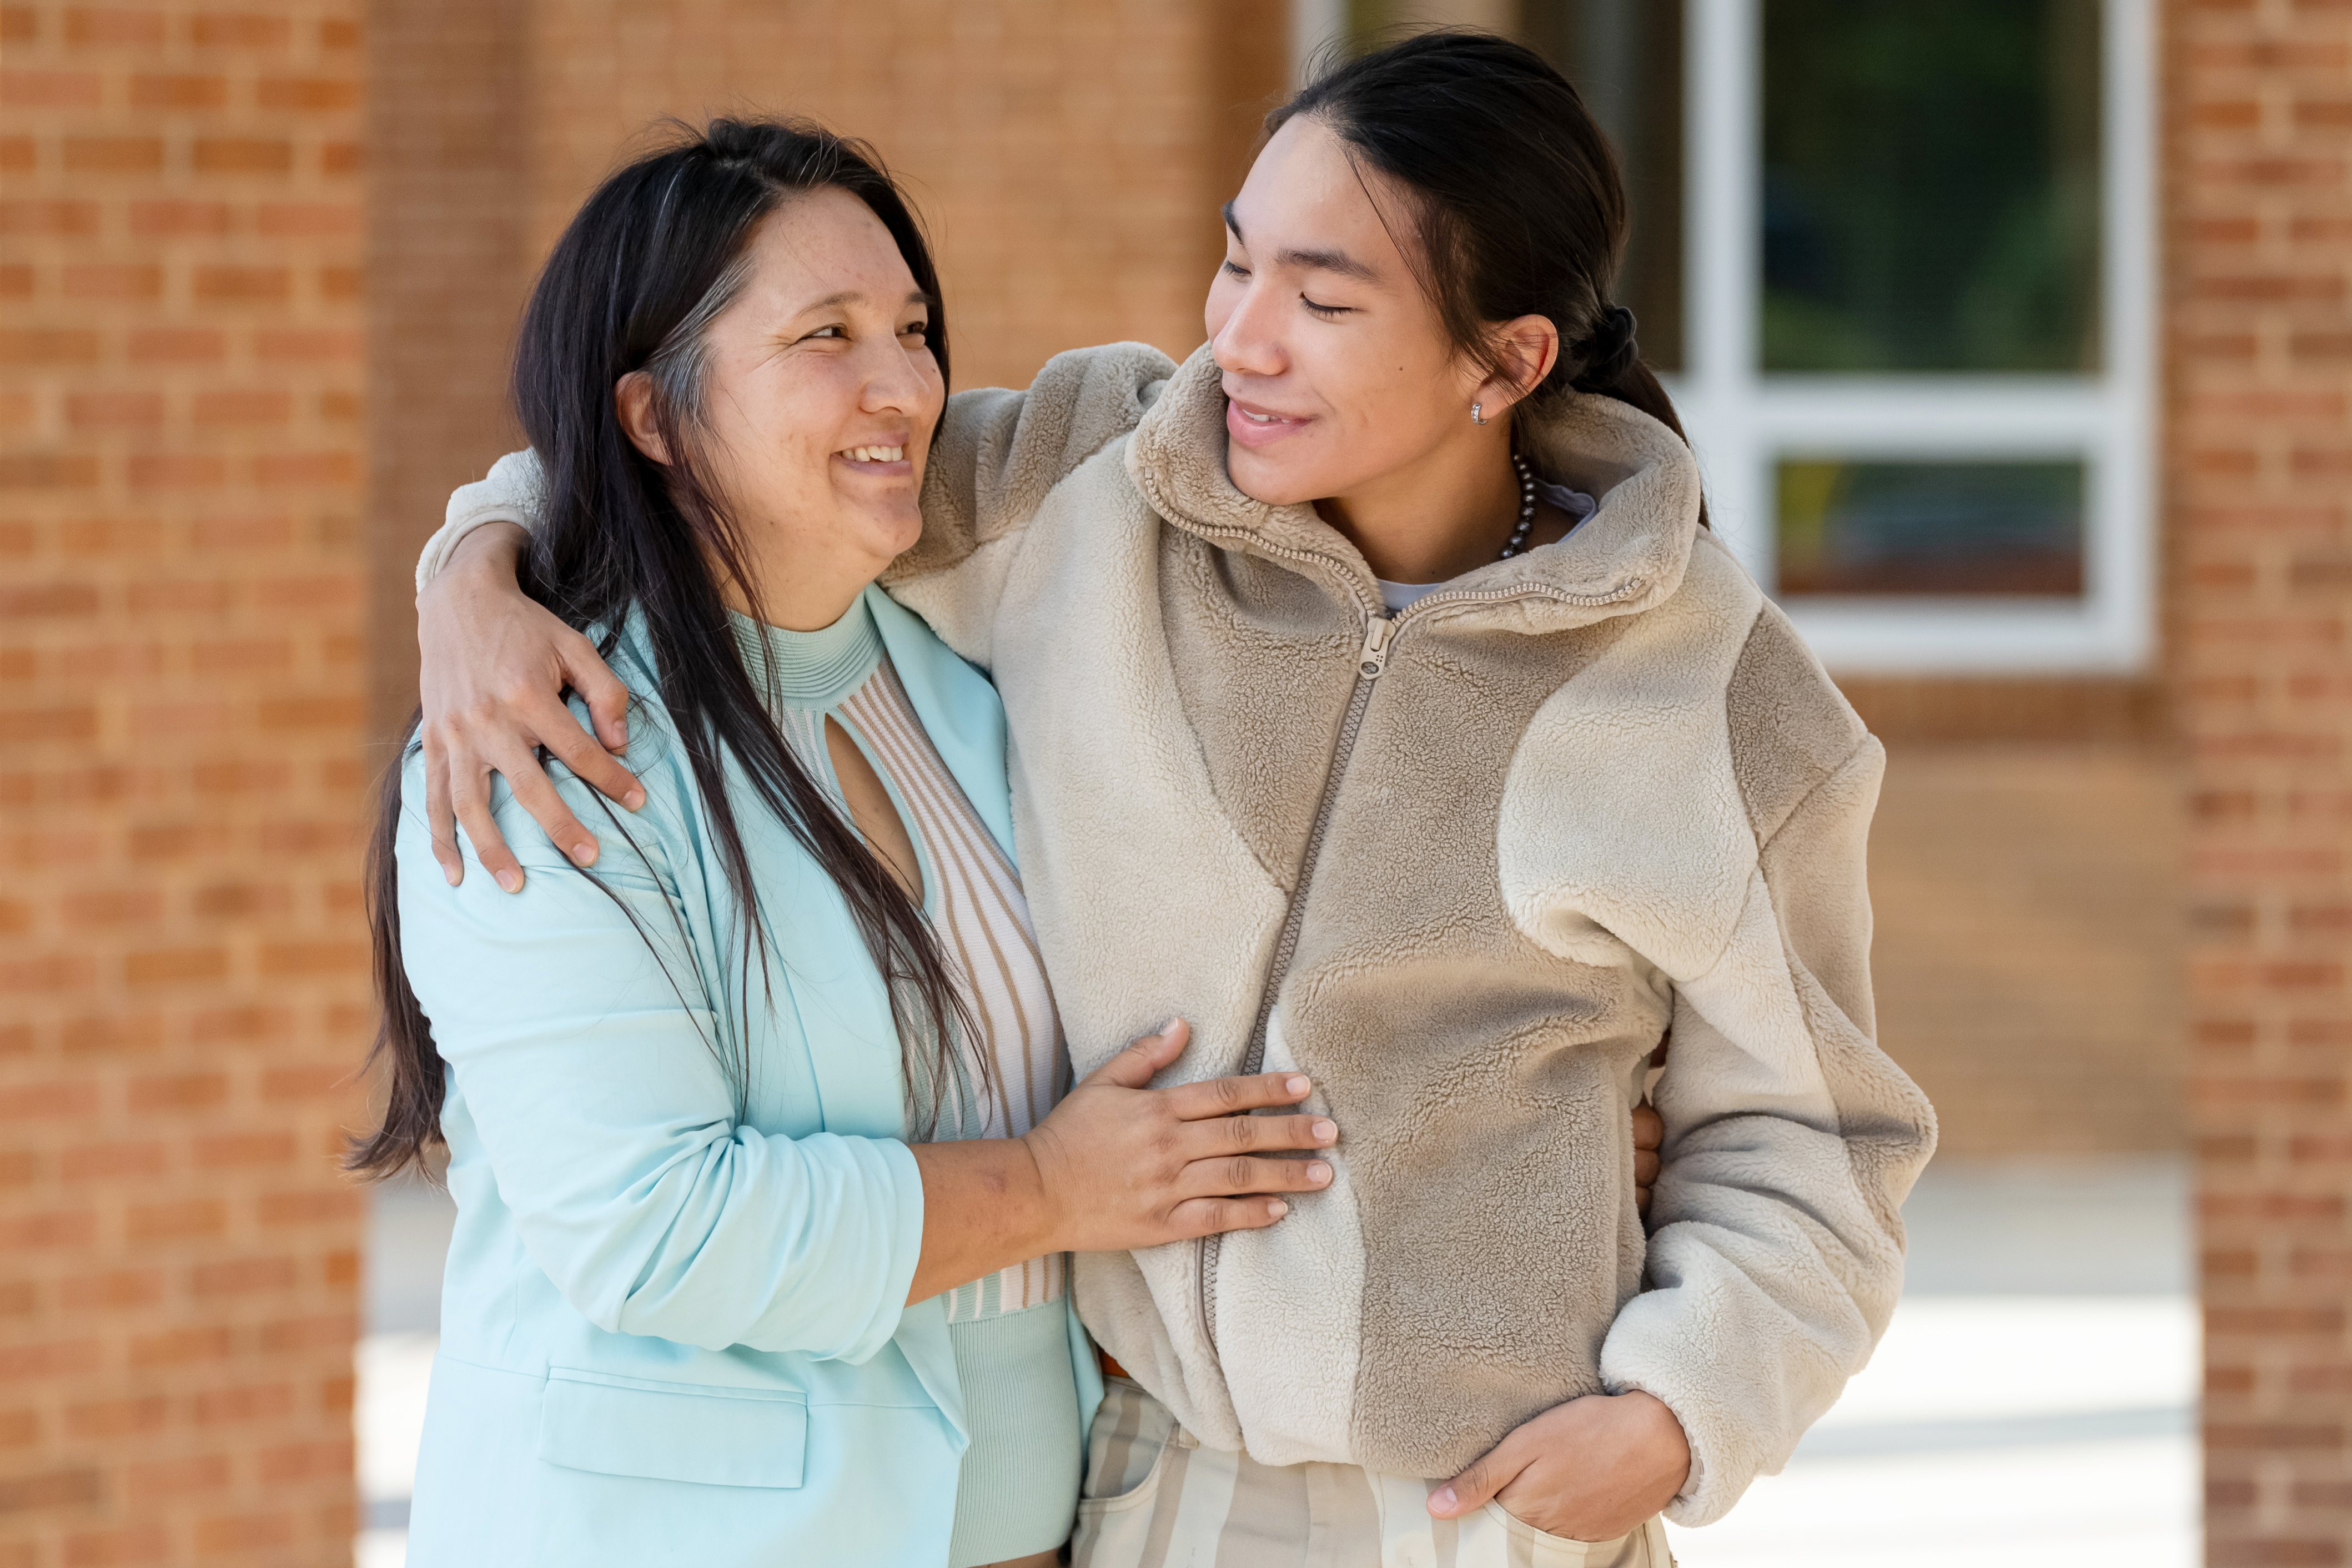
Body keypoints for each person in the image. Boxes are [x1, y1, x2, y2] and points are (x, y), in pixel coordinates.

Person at [412, 32, 1934, 1567]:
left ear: (1507, 360)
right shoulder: (1098, 479)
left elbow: (1816, 1137)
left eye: (1324, 299)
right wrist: (477, 567)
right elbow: (742, 458)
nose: (1243, 341)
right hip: (1145, 1489)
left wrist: (1678, 1418)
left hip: (1492, 1508)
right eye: (1234, 265)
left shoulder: (1711, 691)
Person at [353, 121, 1359, 1568]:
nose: (901, 384)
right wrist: (1052, 1191)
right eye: (823, 334)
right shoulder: (539, 747)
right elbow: (651, 1227)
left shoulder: (982, 675)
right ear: (653, 414)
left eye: (911, 326)